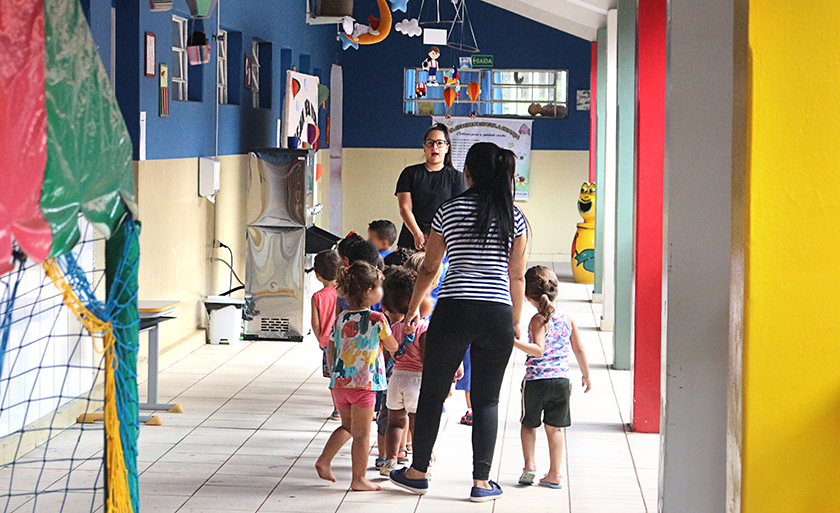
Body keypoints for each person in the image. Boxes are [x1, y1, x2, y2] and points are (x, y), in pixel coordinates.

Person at [390, 142, 528, 503]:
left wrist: (411, 311)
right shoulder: (515, 216)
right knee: (486, 401)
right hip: (496, 311)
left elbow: (431, 268)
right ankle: (481, 483)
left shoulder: (448, 211)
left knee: (433, 393)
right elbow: (516, 275)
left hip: (454, 310)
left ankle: (417, 472)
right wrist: (515, 319)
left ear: (468, 173)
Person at [316, 261, 399, 492]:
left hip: (341, 383)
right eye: (379, 287)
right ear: (368, 291)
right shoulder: (377, 319)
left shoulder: (341, 318)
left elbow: (331, 349)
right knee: (362, 436)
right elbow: (392, 345)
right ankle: (359, 479)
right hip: (364, 384)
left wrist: (335, 372)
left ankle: (324, 460)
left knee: (348, 427)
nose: (381, 292)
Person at [514, 265, 591, 489]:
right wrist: (586, 374)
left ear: (527, 297)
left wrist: (514, 342)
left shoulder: (538, 320)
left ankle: (530, 466)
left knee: (529, 424)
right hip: (561, 382)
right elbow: (579, 349)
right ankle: (555, 474)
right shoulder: (567, 318)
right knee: (555, 428)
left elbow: (538, 349)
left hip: (536, 382)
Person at [379, 265, 438, 477]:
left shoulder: (392, 328)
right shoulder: (426, 329)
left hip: (396, 381)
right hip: (418, 382)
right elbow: (426, 359)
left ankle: (389, 460)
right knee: (417, 425)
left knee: (395, 423)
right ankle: (423, 460)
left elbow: (388, 354)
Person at [395, 123, 465, 251]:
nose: (434, 147)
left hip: (443, 240)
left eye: (439, 143)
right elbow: (404, 208)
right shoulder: (409, 173)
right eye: (430, 143)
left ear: (447, 147)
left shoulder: (457, 177)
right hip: (411, 238)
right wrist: (417, 233)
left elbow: (457, 212)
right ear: (424, 147)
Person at [311, 249, 343, 421]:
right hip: (346, 340)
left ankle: (337, 408)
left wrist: (321, 338)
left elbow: (315, 323)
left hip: (328, 343)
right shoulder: (345, 292)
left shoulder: (317, 297)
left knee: (333, 376)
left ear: (317, 275)